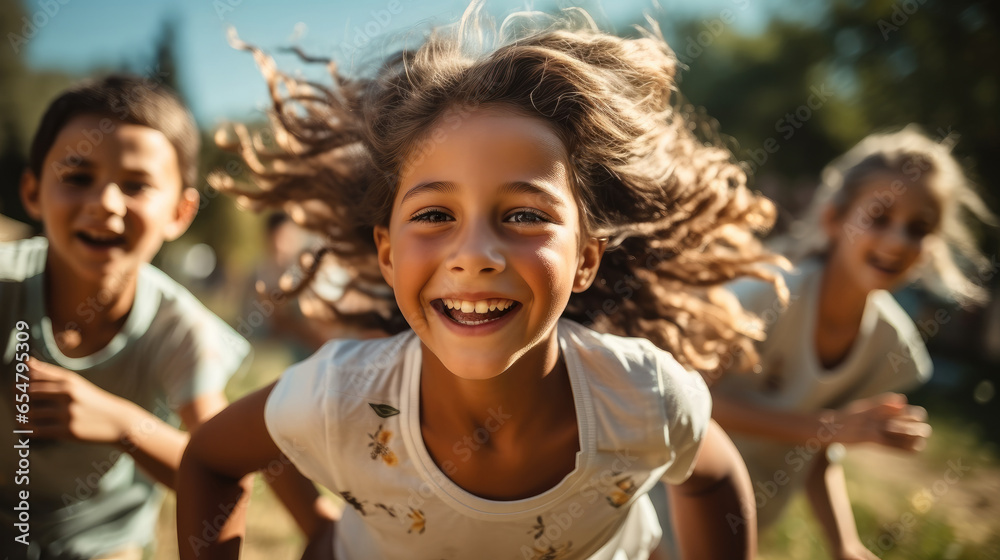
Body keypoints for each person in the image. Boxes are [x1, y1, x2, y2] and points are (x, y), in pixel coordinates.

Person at [177, 6, 791, 559]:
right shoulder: (341, 397)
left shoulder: (642, 396)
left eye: (524, 215)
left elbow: (712, 476)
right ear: (388, 255)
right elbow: (209, 461)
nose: (474, 255)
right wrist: (322, 535)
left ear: (585, 260)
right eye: (435, 215)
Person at [710, 125, 996, 559]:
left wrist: (843, 543)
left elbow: (820, 454)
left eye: (919, 228)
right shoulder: (768, 294)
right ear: (833, 219)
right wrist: (827, 428)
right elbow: (688, 402)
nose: (898, 240)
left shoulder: (891, 346)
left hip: (745, 527)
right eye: (879, 218)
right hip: (662, 502)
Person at [0, 75, 252, 560]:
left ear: (180, 212)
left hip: (104, 542)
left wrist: (123, 425)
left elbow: (225, 470)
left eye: (135, 185)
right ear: (32, 192)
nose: (105, 205)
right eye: (77, 178)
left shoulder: (179, 328)